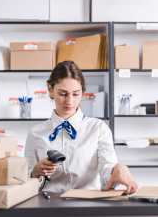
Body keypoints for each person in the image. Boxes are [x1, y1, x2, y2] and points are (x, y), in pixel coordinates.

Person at [25, 60, 139, 194]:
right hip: (47, 206)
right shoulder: (35, 133)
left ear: (83, 91)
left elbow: (106, 174)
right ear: (50, 90)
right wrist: (35, 174)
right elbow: (25, 185)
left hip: (87, 206)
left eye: (76, 94)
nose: (70, 101)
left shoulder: (98, 128)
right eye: (63, 94)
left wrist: (117, 169)